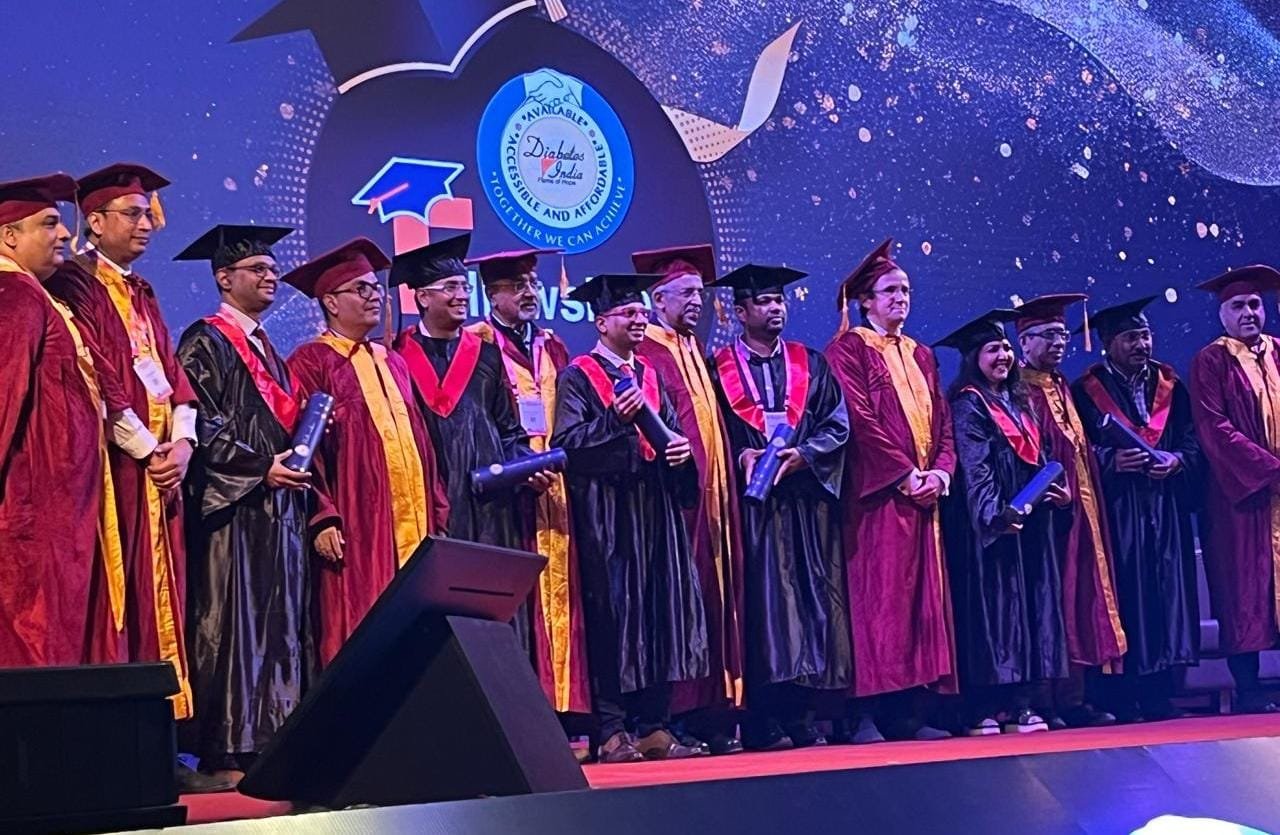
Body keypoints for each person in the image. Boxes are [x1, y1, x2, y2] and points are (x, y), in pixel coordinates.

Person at [175, 224, 312, 785]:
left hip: (275, 505)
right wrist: (259, 469)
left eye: (273, 269)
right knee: (231, 621)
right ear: (224, 278)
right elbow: (202, 424)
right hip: (233, 506)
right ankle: (224, 747)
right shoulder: (204, 340)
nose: (271, 276)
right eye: (257, 269)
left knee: (274, 621)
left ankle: (269, 741)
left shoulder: (269, 350)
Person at [551, 273, 706, 763]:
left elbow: (671, 437)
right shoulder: (578, 375)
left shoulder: (651, 375)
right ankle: (612, 729)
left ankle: (655, 726)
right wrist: (614, 419)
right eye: (628, 313)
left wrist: (680, 454)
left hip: (655, 511)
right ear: (601, 322)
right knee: (614, 618)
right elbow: (567, 445)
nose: (640, 320)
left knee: (660, 612)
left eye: (642, 312)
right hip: (608, 514)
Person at [283, 238, 448, 668]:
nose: (375, 296)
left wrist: (437, 510)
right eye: (361, 289)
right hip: (358, 522)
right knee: (361, 622)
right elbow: (304, 449)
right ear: (331, 302)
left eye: (376, 288)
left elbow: (422, 443)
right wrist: (322, 516)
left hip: (415, 521)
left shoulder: (394, 361)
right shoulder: (311, 361)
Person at [708, 264, 852, 749]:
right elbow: (711, 431)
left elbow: (837, 424)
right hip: (754, 507)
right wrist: (741, 455)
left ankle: (802, 714)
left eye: (779, 300)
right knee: (764, 606)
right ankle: (762, 717)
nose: (776, 308)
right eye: (764, 301)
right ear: (740, 311)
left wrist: (804, 455)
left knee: (809, 603)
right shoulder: (717, 368)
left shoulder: (810, 363)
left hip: (803, 501)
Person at [389, 234, 553, 654]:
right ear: (422, 297)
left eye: (464, 287)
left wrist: (525, 466)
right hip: (436, 495)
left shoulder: (486, 354)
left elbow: (508, 428)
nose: (462, 296)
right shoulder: (396, 356)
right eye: (451, 287)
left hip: (491, 499)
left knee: (492, 600)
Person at [824, 238, 956, 742]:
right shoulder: (849, 348)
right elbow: (860, 420)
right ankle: (866, 715)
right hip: (877, 499)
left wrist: (941, 473)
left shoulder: (921, 353)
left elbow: (943, 423)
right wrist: (903, 474)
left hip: (925, 497)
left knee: (921, 604)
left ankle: (910, 714)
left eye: (906, 290)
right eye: (890, 291)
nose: (901, 298)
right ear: (866, 301)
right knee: (878, 601)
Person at [0, 173, 120, 668]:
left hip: (54, 517)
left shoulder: (35, 295)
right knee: (34, 657)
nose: (66, 233)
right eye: (49, 223)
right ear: (9, 236)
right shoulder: (15, 296)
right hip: (31, 518)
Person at [466, 246, 590, 715]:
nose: (529, 293)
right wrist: (516, 468)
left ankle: (565, 707)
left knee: (561, 592)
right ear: (492, 294)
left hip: (555, 487)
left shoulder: (553, 345)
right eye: (517, 286)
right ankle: (522, 709)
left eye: (533, 285)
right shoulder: (476, 344)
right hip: (505, 492)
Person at [632, 243, 744, 755]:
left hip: (717, 499)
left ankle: (714, 712)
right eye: (686, 293)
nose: (697, 301)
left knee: (717, 598)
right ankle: (677, 713)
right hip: (679, 502)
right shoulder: (649, 353)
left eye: (700, 293)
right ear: (658, 299)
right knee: (683, 603)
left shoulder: (693, 349)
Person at [938, 309, 1071, 735]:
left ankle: (1022, 703)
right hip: (991, 526)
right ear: (973, 357)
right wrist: (994, 515)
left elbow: (1042, 455)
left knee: (1029, 609)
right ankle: (985, 707)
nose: (1003, 356)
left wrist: (1059, 492)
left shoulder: (1018, 401)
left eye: (1006, 348)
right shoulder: (968, 403)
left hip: (1029, 523)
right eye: (992, 349)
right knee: (993, 613)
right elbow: (975, 467)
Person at [1072, 296, 1201, 721]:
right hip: (1119, 509)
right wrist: (1111, 461)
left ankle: (1161, 694)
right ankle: (1121, 697)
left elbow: (1192, 437)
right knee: (1128, 593)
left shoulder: (1170, 384)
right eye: (1130, 337)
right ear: (1107, 343)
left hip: (1164, 505)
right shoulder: (1085, 391)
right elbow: (1074, 447)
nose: (1141, 344)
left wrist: (1178, 461)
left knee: (1166, 593)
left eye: (1144, 335)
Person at [1013, 294, 1126, 728]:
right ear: (1024, 341)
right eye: (1047, 335)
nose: (1059, 342)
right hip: (1046, 516)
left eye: (1062, 334)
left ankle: (1074, 699)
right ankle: (1043, 699)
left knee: (1081, 598)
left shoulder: (1061, 386)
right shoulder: (1018, 389)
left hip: (1081, 511)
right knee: (1051, 600)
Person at [1190, 265, 1280, 714]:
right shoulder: (1211, 361)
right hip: (1240, 498)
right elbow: (1214, 428)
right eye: (1238, 306)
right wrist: (1270, 469)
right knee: (1242, 588)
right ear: (1222, 314)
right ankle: (1249, 690)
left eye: (1255, 304)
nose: (1249, 313)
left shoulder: (1279, 352)